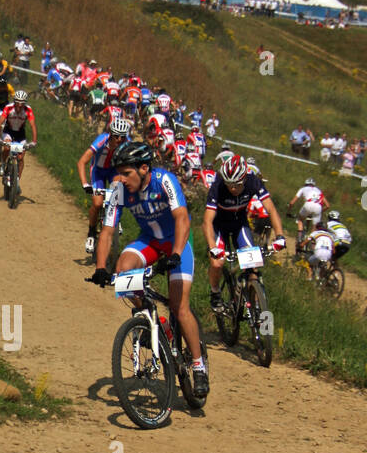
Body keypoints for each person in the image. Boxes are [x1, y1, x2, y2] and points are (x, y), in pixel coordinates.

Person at [91, 140, 209, 398]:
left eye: (126, 173)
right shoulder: (120, 190)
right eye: (118, 172)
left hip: (177, 240)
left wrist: (176, 254)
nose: (120, 178)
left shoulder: (164, 180)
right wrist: (101, 267)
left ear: (144, 168)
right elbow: (108, 231)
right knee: (122, 272)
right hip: (150, 241)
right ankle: (155, 321)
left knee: (180, 306)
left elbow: (181, 219)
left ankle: (199, 366)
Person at [202, 154, 286, 309]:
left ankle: (255, 305)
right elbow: (207, 221)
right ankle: (215, 293)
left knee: (252, 267)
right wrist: (213, 247)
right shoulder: (218, 186)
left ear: (245, 179)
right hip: (219, 225)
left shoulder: (254, 181)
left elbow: (271, 209)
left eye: (237, 184)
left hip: (240, 224)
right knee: (217, 263)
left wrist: (280, 236)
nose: (232, 188)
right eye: (229, 184)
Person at [77, 114, 131, 255]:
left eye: (123, 137)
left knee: (119, 189)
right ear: (111, 135)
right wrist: (85, 184)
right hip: (98, 172)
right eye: (117, 137)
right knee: (96, 203)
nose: (120, 140)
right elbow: (82, 161)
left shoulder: (127, 143)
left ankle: (116, 218)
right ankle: (91, 233)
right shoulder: (102, 140)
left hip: (114, 171)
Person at [0, 92, 37, 183]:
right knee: (6, 148)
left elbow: (33, 125)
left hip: (20, 133)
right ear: (14, 102)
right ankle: (2, 164)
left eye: (22, 103)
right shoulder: (9, 108)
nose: (20, 105)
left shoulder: (28, 110)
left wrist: (34, 141)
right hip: (8, 131)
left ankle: (17, 181)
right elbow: (0, 122)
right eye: (18, 102)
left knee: (21, 158)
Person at [286, 180, 328, 248]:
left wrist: (288, 212)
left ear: (305, 184)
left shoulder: (303, 189)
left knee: (300, 220)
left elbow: (292, 203)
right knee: (314, 228)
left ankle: (299, 239)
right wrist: (320, 212)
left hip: (308, 205)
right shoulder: (319, 190)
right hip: (318, 207)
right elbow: (327, 205)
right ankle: (310, 244)